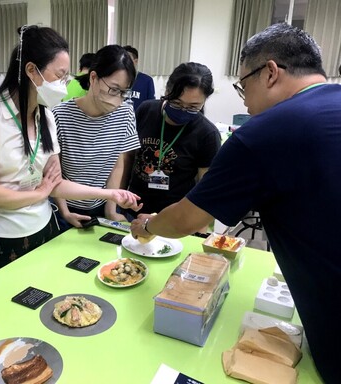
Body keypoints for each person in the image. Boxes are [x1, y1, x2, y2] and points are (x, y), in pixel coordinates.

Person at [131, 23, 339, 384]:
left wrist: (147, 226)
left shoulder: (263, 134)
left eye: (243, 86)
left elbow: (185, 219)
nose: (244, 100)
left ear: (270, 72)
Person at [0, 26, 141, 283]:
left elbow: (55, 182)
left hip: (44, 228)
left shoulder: (45, 115)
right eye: (60, 75)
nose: (64, 85)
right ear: (32, 70)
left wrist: (109, 194)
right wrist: (41, 193)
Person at [52, 45, 140, 229]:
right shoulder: (59, 115)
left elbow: (117, 164)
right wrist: (65, 212)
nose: (118, 100)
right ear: (93, 77)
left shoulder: (125, 112)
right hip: (64, 207)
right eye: (113, 89)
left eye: (124, 92)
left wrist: (111, 209)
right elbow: (54, 172)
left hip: (101, 205)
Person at [123, 62, 221, 221]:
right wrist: (117, 203)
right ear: (167, 90)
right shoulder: (146, 110)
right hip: (133, 208)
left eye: (193, 107)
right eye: (176, 103)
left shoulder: (207, 134)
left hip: (174, 219)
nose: (183, 111)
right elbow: (128, 158)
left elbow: (206, 189)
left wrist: (198, 226)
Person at [123, 45, 155, 111]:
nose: (124, 62)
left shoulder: (147, 80)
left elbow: (151, 105)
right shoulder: (117, 80)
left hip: (139, 119)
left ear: (136, 61)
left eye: (127, 59)